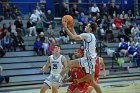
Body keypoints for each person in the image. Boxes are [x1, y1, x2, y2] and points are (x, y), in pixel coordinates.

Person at [59, 21, 102, 93]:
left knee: (92, 81)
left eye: (87, 26)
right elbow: (76, 36)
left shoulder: (88, 35)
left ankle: (57, 79)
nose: (85, 26)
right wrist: (72, 28)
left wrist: (66, 28)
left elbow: (73, 37)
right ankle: (58, 79)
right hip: (86, 58)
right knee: (70, 63)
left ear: (90, 29)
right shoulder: (89, 35)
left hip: (90, 60)